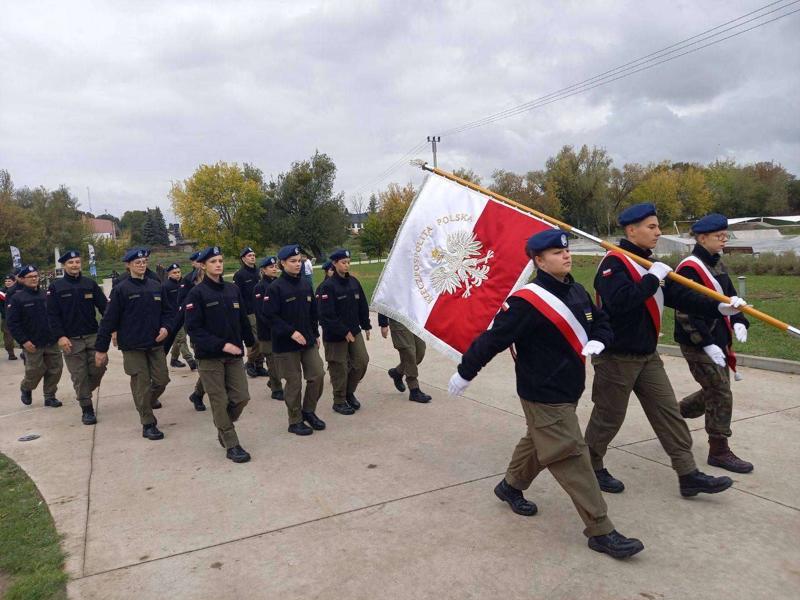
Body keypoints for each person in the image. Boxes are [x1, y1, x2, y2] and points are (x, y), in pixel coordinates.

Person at [448, 229, 644, 559]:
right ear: (538, 261)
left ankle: (510, 487)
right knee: (570, 454)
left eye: (565, 251)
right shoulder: (527, 302)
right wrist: (465, 371)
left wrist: (601, 339)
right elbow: (493, 339)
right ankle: (600, 529)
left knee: (539, 442)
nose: (565, 256)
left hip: (568, 390)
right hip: (542, 392)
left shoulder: (577, 291)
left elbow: (601, 321)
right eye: (555, 253)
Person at [584, 202, 744, 498]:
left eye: (657, 226)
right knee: (608, 418)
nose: (658, 232)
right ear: (632, 230)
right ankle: (591, 466)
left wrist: (720, 306)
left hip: (647, 356)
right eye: (652, 227)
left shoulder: (647, 263)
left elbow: (681, 296)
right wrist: (652, 278)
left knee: (668, 413)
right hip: (617, 357)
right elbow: (620, 302)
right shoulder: (613, 264)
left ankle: (688, 475)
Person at [674, 214, 753, 473]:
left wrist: (740, 319)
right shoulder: (689, 268)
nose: (724, 240)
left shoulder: (716, 263)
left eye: (725, 236)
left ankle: (670, 416)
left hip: (718, 338)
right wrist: (706, 343)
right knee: (719, 391)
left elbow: (730, 297)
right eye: (719, 237)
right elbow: (685, 313)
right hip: (697, 342)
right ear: (702, 237)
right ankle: (719, 450)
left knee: (713, 390)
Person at [95, 248, 174, 441]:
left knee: (162, 380)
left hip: (155, 344)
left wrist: (166, 327)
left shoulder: (156, 285)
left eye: (144, 261)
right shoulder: (121, 289)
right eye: (137, 262)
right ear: (128, 265)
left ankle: (145, 402)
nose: (141, 265)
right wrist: (101, 348)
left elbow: (168, 313)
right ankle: (148, 423)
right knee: (141, 384)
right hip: (132, 345)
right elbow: (109, 319)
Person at [184, 246, 253, 463]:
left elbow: (242, 319)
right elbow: (193, 330)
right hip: (209, 357)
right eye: (213, 261)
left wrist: (250, 343)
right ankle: (231, 443)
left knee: (242, 397)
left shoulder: (232, 289)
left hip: (234, 356)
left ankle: (224, 427)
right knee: (219, 401)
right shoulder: (197, 293)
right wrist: (222, 345)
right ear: (203, 265)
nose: (218, 264)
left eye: (221, 260)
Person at [263, 244, 326, 435]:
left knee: (317, 375)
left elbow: (313, 312)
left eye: (299, 261)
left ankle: (308, 411)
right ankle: (295, 420)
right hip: (286, 344)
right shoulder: (275, 288)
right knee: (294, 383)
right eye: (293, 261)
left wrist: (315, 334)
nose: (297, 264)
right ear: (282, 263)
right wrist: (290, 332)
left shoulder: (305, 284)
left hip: (307, 341)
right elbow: (269, 316)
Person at [47, 250, 108, 425]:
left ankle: (83, 393)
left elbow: (105, 307)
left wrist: (112, 328)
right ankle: (87, 408)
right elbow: (52, 315)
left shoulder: (89, 283)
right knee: (79, 375)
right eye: (71, 262)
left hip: (92, 336)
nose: (75, 265)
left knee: (100, 366)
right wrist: (60, 336)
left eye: (77, 262)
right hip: (70, 340)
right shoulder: (56, 287)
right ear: (64, 265)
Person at [317, 249, 371, 414]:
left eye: (348, 262)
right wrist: (343, 331)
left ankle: (349, 392)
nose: (346, 265)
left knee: (361, 362)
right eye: (343, 262)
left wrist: (366, 325)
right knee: (339, 367)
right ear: (334, 264)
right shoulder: (326, 287)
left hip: (354, 331)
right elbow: (325, 315)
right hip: (335, 336)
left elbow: (362, 305)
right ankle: (339, 400)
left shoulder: (353, 282)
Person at [7, 265, 64, 408]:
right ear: (22, 279)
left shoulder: (46, 294)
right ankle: (26, 388)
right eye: (30, 277)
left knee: (55, 369)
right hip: (32, 343)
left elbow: (56, 315)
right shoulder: (17, 298)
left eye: (36, 276)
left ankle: (50, 396)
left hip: (51, 340)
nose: (34, 279)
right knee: (35, 371)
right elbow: (12, 323)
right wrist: (23, 341)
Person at [377, 314, 432, 403]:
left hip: (414, 316)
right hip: (398, 318)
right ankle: (414, 390)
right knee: (409, 353)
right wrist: (383, 323)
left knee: (420, 352)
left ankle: (397, 372)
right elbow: (383, 300)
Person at [233, 246, 266, 379]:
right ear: (243, 258)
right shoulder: (240, 275)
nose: (252, 257)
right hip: (249, 311)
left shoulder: (259, 272)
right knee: (256, 340)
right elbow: (237, 295)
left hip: (262, 309)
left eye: (253, 255)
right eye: (249, 255)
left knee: (263, 338)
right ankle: (250, 362)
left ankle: (259, 365)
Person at [254, 256, 284, 401]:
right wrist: (275, 327)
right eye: (270, 267)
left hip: (279, 330)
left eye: (275, 266)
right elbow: (261, 313)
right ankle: (276, 389)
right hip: (267, 332)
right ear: (263, 270)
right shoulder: (260, 287)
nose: (274, 269)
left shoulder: (279, 284)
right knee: (273, 363)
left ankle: (273, 381)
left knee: (281, 362)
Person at [162, 263, 198, 370]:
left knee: (177, 339)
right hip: (174, 318)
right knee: (181, 339)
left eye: (178, 272)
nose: (177, 274)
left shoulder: (185, 283)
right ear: (169, 274)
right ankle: (190, 360)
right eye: (174, 273)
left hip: (186, 315)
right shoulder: (165, 286)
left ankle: (173, 358)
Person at [1, 273, 18, 360]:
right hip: (6, 317)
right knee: (8, 336)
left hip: (20, 317)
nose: (7, 283)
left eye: (9, 281)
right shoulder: (1, 292)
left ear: (14, 281)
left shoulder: (19, 290)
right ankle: (11, 353)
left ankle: (25, 351)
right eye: (6, 281)